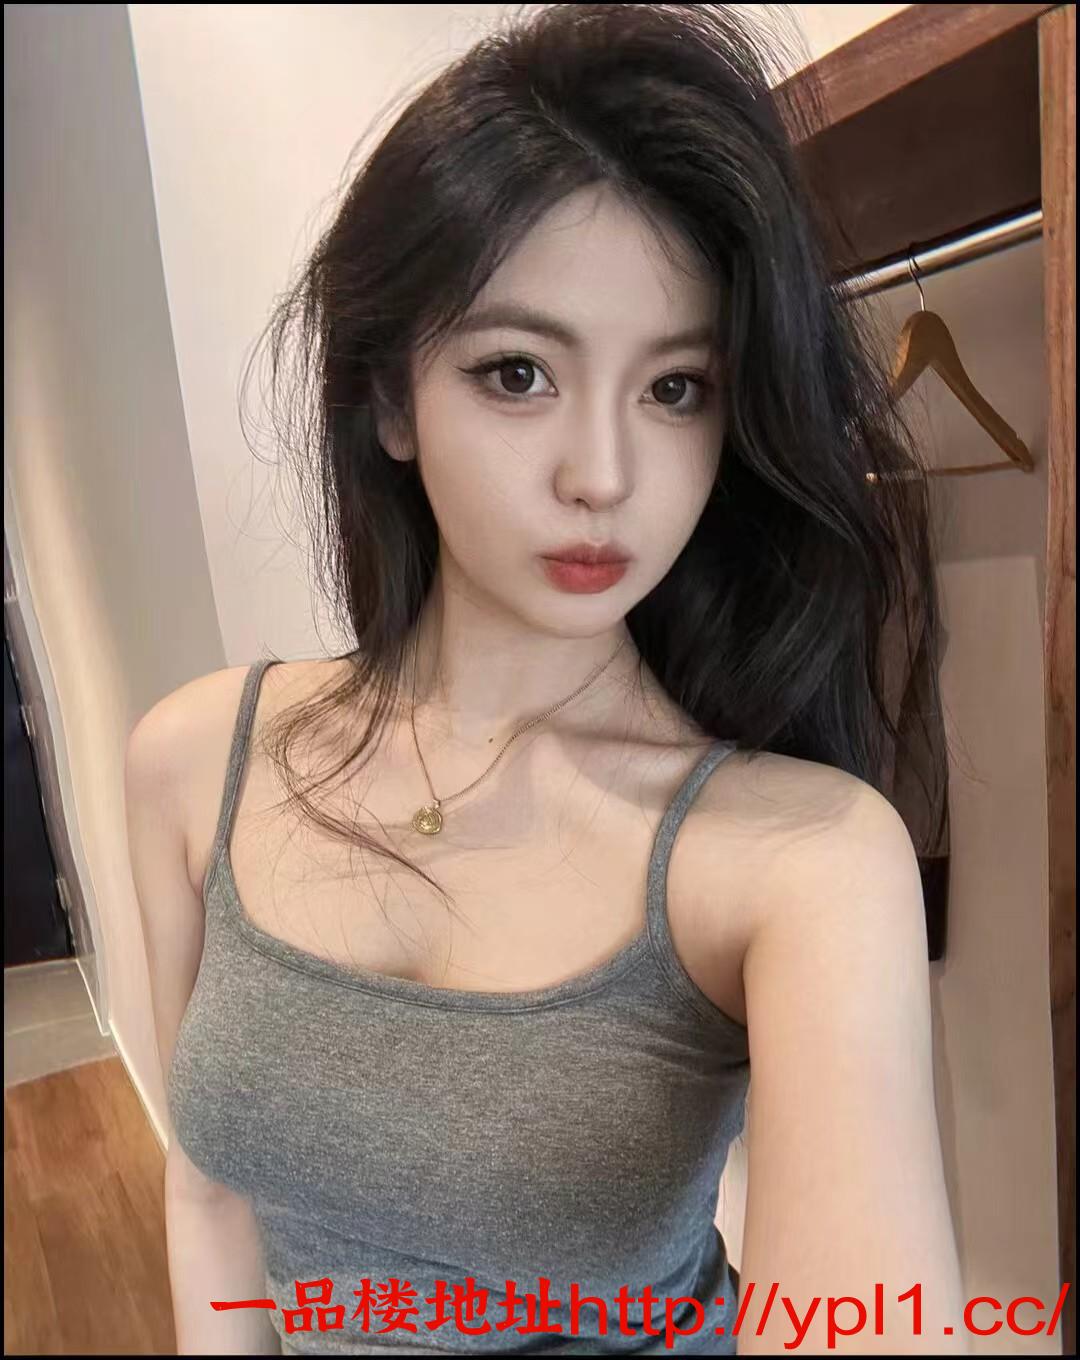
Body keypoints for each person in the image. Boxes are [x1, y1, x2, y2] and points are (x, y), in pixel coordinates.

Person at [125, 4, 966, 1355]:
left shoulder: (801, 859)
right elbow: (210, 1193)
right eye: (517, 373)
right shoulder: (193, 761)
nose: (603, 475)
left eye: (676, 389)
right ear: (390, 400)